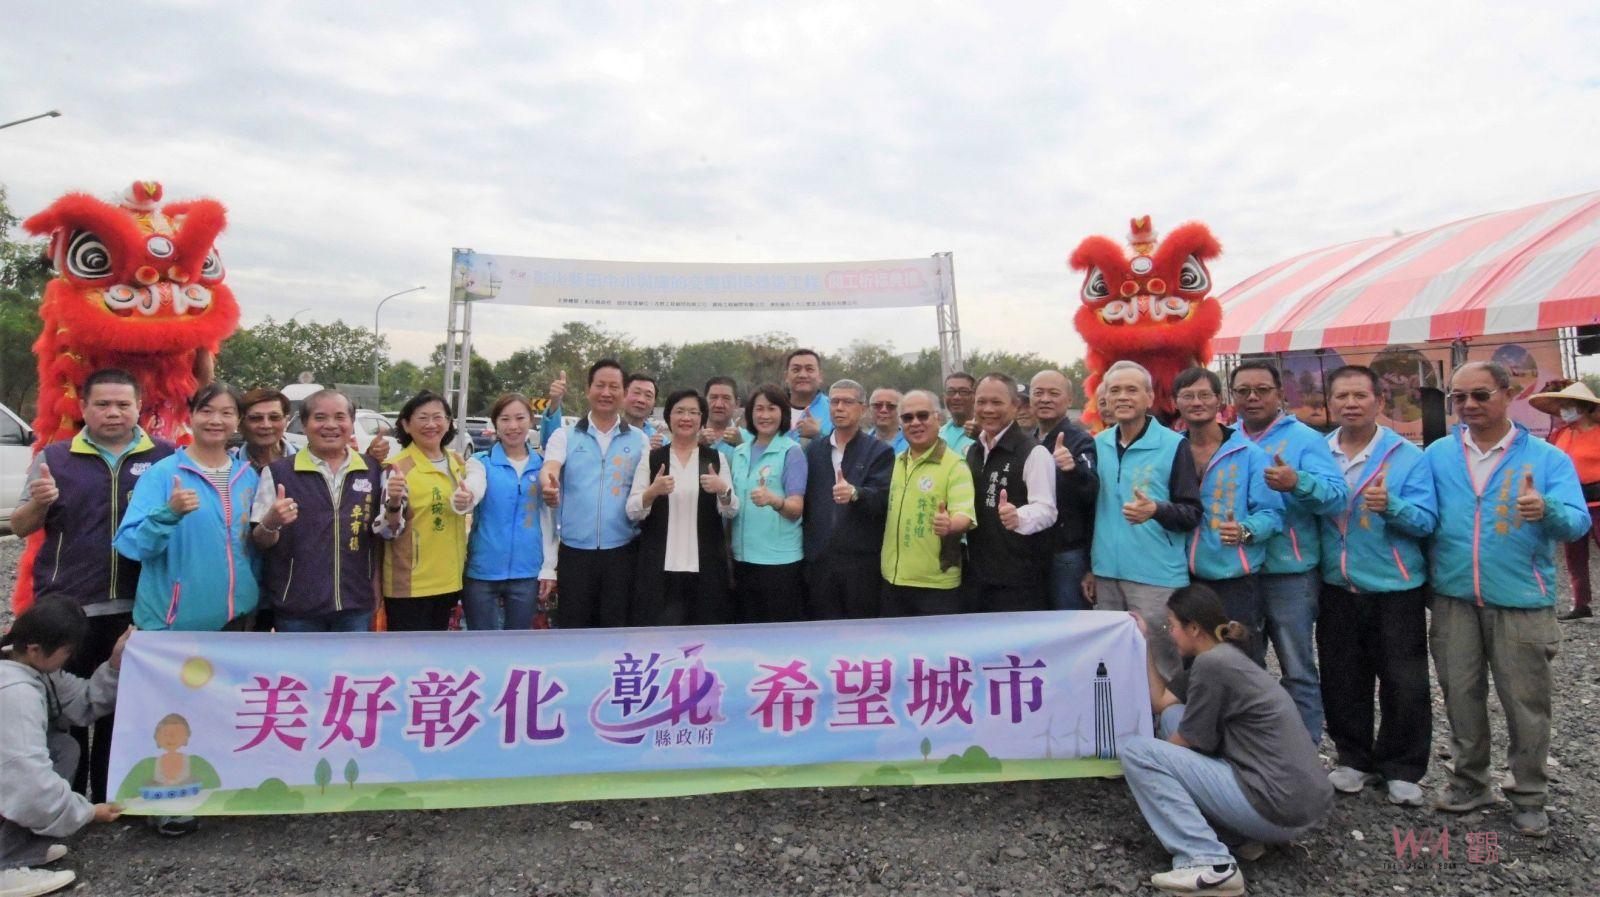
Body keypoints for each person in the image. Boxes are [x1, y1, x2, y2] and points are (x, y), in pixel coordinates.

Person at [1425, 361, 1589, 837]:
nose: (1469, 405)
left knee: (1526, 703)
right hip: (1453, 595)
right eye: (1459, 397)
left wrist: (1547, 509)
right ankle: (1469, 781)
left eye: (1480, 395)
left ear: (1507, 393)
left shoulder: (1546, 458)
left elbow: (1577, 522)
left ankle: (1529, 793)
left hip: (1522, 599)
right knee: (1460, 695)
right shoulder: (1438, 454)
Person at [10, 369, 171, 803]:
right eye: (102, 404)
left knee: (126, 709)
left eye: (122, 404)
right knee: (68, 712)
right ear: (83, 408)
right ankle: (68, 800)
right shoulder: (55, 458)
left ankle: (112, 797)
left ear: (139, 407)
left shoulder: (165, 457)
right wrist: (41, 502)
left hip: (139, 606)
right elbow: (20, 526)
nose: (113, 412)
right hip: (72, 608)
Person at [1120, 586, 1332, 896]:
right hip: (1292, 802)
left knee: (1136, 751)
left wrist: (1149, 776)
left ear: (1194, 628)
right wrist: (1145, 643)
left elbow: (1181, 745)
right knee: (1172, 716)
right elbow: (1161, 702)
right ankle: (1240, 838)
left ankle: (1209, 861)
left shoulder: (1212, 666)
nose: (1170, 633)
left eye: (1172, 625)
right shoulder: (1221, 656)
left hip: (1278, 807)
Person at [1315, 366, 1438, 807]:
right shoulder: (1319, 452)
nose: (1350, 404)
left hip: (1395, 587)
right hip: (1336, 586)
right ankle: (1353, 758)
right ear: (1330, 403)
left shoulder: (1407, 457)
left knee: (1404, 680)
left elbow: (1427, 521)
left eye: (1360, 396)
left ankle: (1402, 766)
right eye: (1341, 396)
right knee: (1342, 676)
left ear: (1379, 402)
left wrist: (1393, 506)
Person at [1230, 359, 1347, 743]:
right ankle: (1255, 748)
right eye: (1243, 390)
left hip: (1289, 574)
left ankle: (1305, 750)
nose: (1252, 397)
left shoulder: (1305, 440)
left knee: (1297, 667)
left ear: (1280, 394)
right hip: (1239, 572)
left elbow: (1337, 497)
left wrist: (1298, 482)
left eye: (1262, 389)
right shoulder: (1226, 438)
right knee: (1244, 666)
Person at [0, 600, 129, 897]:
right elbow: (29, 783)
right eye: (67, 651)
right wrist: (88, 812)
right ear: (35, 649)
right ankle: (6, 863)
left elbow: (82, 702)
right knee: (57, 754)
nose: (69, 658)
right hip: (15, 781)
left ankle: (24, 848)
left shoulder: (27, 666)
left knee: (63, 746)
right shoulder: (16, 694)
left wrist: (114, 665)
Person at [116, 382, 260, 635]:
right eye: (206, 411)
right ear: (190, 415)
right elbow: (131, 545)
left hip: (236, 619)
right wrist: (168, 514)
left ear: (237, 420)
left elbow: (252, 550)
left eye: (226, 413)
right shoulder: (162, 474)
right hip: (174, 623)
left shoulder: (247, 477)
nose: (216, 420)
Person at [1088, 361, 1203, 679]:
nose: (1122, 397)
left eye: (1132, 389)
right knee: (1114, 664)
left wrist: (1156, 510)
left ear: (1149, 397)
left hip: (1156, 577)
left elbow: (1192, 512)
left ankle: (1168, 714)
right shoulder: (1098, 444)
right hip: (1107, 574)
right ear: (1105, 398)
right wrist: (1090, 567)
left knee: (1163, 664)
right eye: (1114, 390)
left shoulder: (1173, 445)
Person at [251, 389, 394, 633]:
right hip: (296, 608)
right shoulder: (278, 473)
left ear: (351, 423)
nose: (330, 425)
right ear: (304, 424)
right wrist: (271, 522)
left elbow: (380, 536)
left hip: (355, 605)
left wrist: (375, 589)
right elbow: (260, 541)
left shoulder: (371, 469)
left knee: (351, 661)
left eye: (340, 417)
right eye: (320, 417)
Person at [1173, 367, 1283, 657]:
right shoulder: (1170, 451)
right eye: (1188, 396)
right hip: (1182, 577)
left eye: (1204, 395)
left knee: (1240, 660)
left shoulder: (1249, 454)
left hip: (1235, 578)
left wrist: (1245, 530)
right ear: (1175, 402)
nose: (1197, 402)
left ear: (1219, 400)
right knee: (1192, 661)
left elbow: (1272, 514)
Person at [539, 360, 647, 628]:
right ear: (588, 390)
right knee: (574, 629)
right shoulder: (565, 436)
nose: (606, 393)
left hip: (622, 552)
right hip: (575, 553)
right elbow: (550, 467)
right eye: (600, 385)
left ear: (624, 393)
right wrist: (548, 486)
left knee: (616, 630)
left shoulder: (639, 440)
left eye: (614, 386)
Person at [628, 389, 738, 625]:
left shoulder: (715, 459)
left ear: (702, 418)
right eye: (679, 411)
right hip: (660, 567)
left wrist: (722, 489)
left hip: (706, 566)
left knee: (706, 634)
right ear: (669, 416)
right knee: (660, 634)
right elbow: (632, 510)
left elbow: (730, 509)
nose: (686, 418)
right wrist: (652, 492)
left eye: (693, 412)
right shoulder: (652, 458)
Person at [458, 393, 557, 631]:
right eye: (505, 419)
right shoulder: (481, 462)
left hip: (527, 572)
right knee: (481, 644)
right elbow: (474, 486)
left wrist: (548, 568)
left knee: (518, 645)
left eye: (520, 418)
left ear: (531, 421)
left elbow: (549, 521)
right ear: (495, 424)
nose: (513, 426)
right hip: (482, 571)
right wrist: (466, 498)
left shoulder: (543, 467)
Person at [379, 390, 470, 632]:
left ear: (448, 423)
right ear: (406, 425)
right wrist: (394, 502)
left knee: (440, 653)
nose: (431, 424)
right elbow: (386, 531)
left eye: (438, 417)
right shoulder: (397, 468)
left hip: (450, 580)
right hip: (410, 586)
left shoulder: (457, 463)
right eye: (422, 418)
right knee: (410, 653)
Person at [965, 373, 1057, 611]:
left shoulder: (1034, 453)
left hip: (1020, 580)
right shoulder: (973, 451)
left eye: (997, 402)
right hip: (978, 576)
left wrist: (1020, 517)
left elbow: (1047, 510)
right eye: (981, 402)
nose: (988, 409)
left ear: (1015, 406)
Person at [880, 390, 976, 616]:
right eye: (907, 418)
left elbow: (965, 515)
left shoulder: (955, 465)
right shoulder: (896, 462)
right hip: (893, 579)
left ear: (938, 418)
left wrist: (950, 524)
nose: (915, 423)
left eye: (922, 415)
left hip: (936, 585)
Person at [803, 379, 893, 619]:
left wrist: (856, 493)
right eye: (834, 402)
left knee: (860, 633)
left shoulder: (879, 451)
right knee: (822, 630)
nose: (839, 408)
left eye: (847, 402)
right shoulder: (814, 451)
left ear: (862, 409)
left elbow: (884, 499)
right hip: (819, 564)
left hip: (861, 566)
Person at [729, 384, 807, 622]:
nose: (764, 415)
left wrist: (774, 500)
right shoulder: (740, 452)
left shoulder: (791, 452)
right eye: (759, 409)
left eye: (771, 409)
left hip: (778, 562)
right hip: (742, 558)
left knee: (776, 634)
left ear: (783, 413)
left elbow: (796, 508)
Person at [1531, 381, 1600, 620]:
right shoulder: (1560, 435)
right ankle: (1581, 603)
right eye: (1562, 406)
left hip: (1598, 502)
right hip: (1571, 502)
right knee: (1574, 556)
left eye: (1569, 405)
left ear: (1582, 407)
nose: (1564, 411)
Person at [1030, 370, 1098, 610]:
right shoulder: (1028, 440)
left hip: (1067, 553)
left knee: (1069, 622)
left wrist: (1072, 469)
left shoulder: (1080, 440)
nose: (1045, 399)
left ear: (1069, 400)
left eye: (1053, 393)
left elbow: (1092, 488)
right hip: (1033, 551)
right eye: (1038, 393)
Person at [233, 387, 296, 469]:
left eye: (274, 417)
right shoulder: (228, 466)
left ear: (286, 421)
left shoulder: (308, 458)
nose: (266, 425)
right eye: (256, 418)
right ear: (240, 424)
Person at [783, 348, 832, 443]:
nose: (803, 375)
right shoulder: (772, 409)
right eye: (796, 370)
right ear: (786, 376)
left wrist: (818, 436)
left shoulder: (834, 410)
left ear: (820, 376)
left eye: (809, 369)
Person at [701, 376, 749, 456]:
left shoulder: (751, 439)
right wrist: (695, 446)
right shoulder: (689, 436)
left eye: (726, 398)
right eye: (713, 397)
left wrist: (740, 445)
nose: (719, 405)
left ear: (737, 403)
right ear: (704, 402)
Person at [939, 372, 978, 455]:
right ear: (944, 397)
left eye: (963, 392)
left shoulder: (985, 434)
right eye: (950, 392)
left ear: (974, 396)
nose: (956, 397)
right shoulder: (938, 435)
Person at [624, 372, 664, 449]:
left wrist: (658, 453)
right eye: (636, 393)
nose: (641, 400)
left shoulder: (660, 441)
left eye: (648, 395)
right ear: (623, 395)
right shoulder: (606, 432)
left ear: (654, 404)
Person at [868, 387, 908, 452]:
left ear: (902, 411)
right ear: (869, 409)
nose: (883, 410)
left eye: (891, 406)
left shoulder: (913, 443)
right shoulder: (860, 443)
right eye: (877, 405)